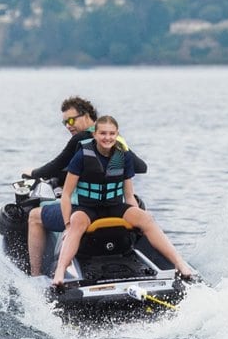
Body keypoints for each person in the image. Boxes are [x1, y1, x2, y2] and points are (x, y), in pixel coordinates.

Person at [51, 115, 194, 287]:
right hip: (88, 208)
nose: (107, 138)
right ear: (95, 135)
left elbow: (128, 194)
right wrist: (67, 225)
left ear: (117, 134)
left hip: (114, 206)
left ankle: (180, 264)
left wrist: (138, 219)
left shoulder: (123, 156)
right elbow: (66, 194)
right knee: (76, 221)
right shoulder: (82, 155)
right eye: (103, 133)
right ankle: (60, 272)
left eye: (112, 134)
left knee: (146, 218)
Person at [22, 96, 147, 275]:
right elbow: (141, 167)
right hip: (114, 207)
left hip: (84, 210)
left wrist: (32, 173)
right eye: (64, 122)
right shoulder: (116, 140)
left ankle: (35, 276)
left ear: (87, 115)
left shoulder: (82, 139)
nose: (68, 125)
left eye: (72, 120)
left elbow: (55, 166)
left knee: (35, 216)